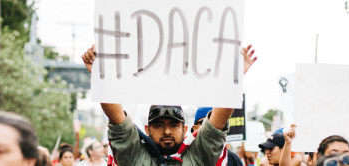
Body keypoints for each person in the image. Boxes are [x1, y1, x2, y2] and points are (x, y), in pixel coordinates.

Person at [81, 43, 257, 166]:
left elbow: (217, 123)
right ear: (147, 129)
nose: (166, 131)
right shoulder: (133, 155)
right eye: (158, 125)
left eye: (173, 125)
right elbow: (117, 119)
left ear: (185, 129)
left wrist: (235, 76)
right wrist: (99, 76)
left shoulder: (200, 155)